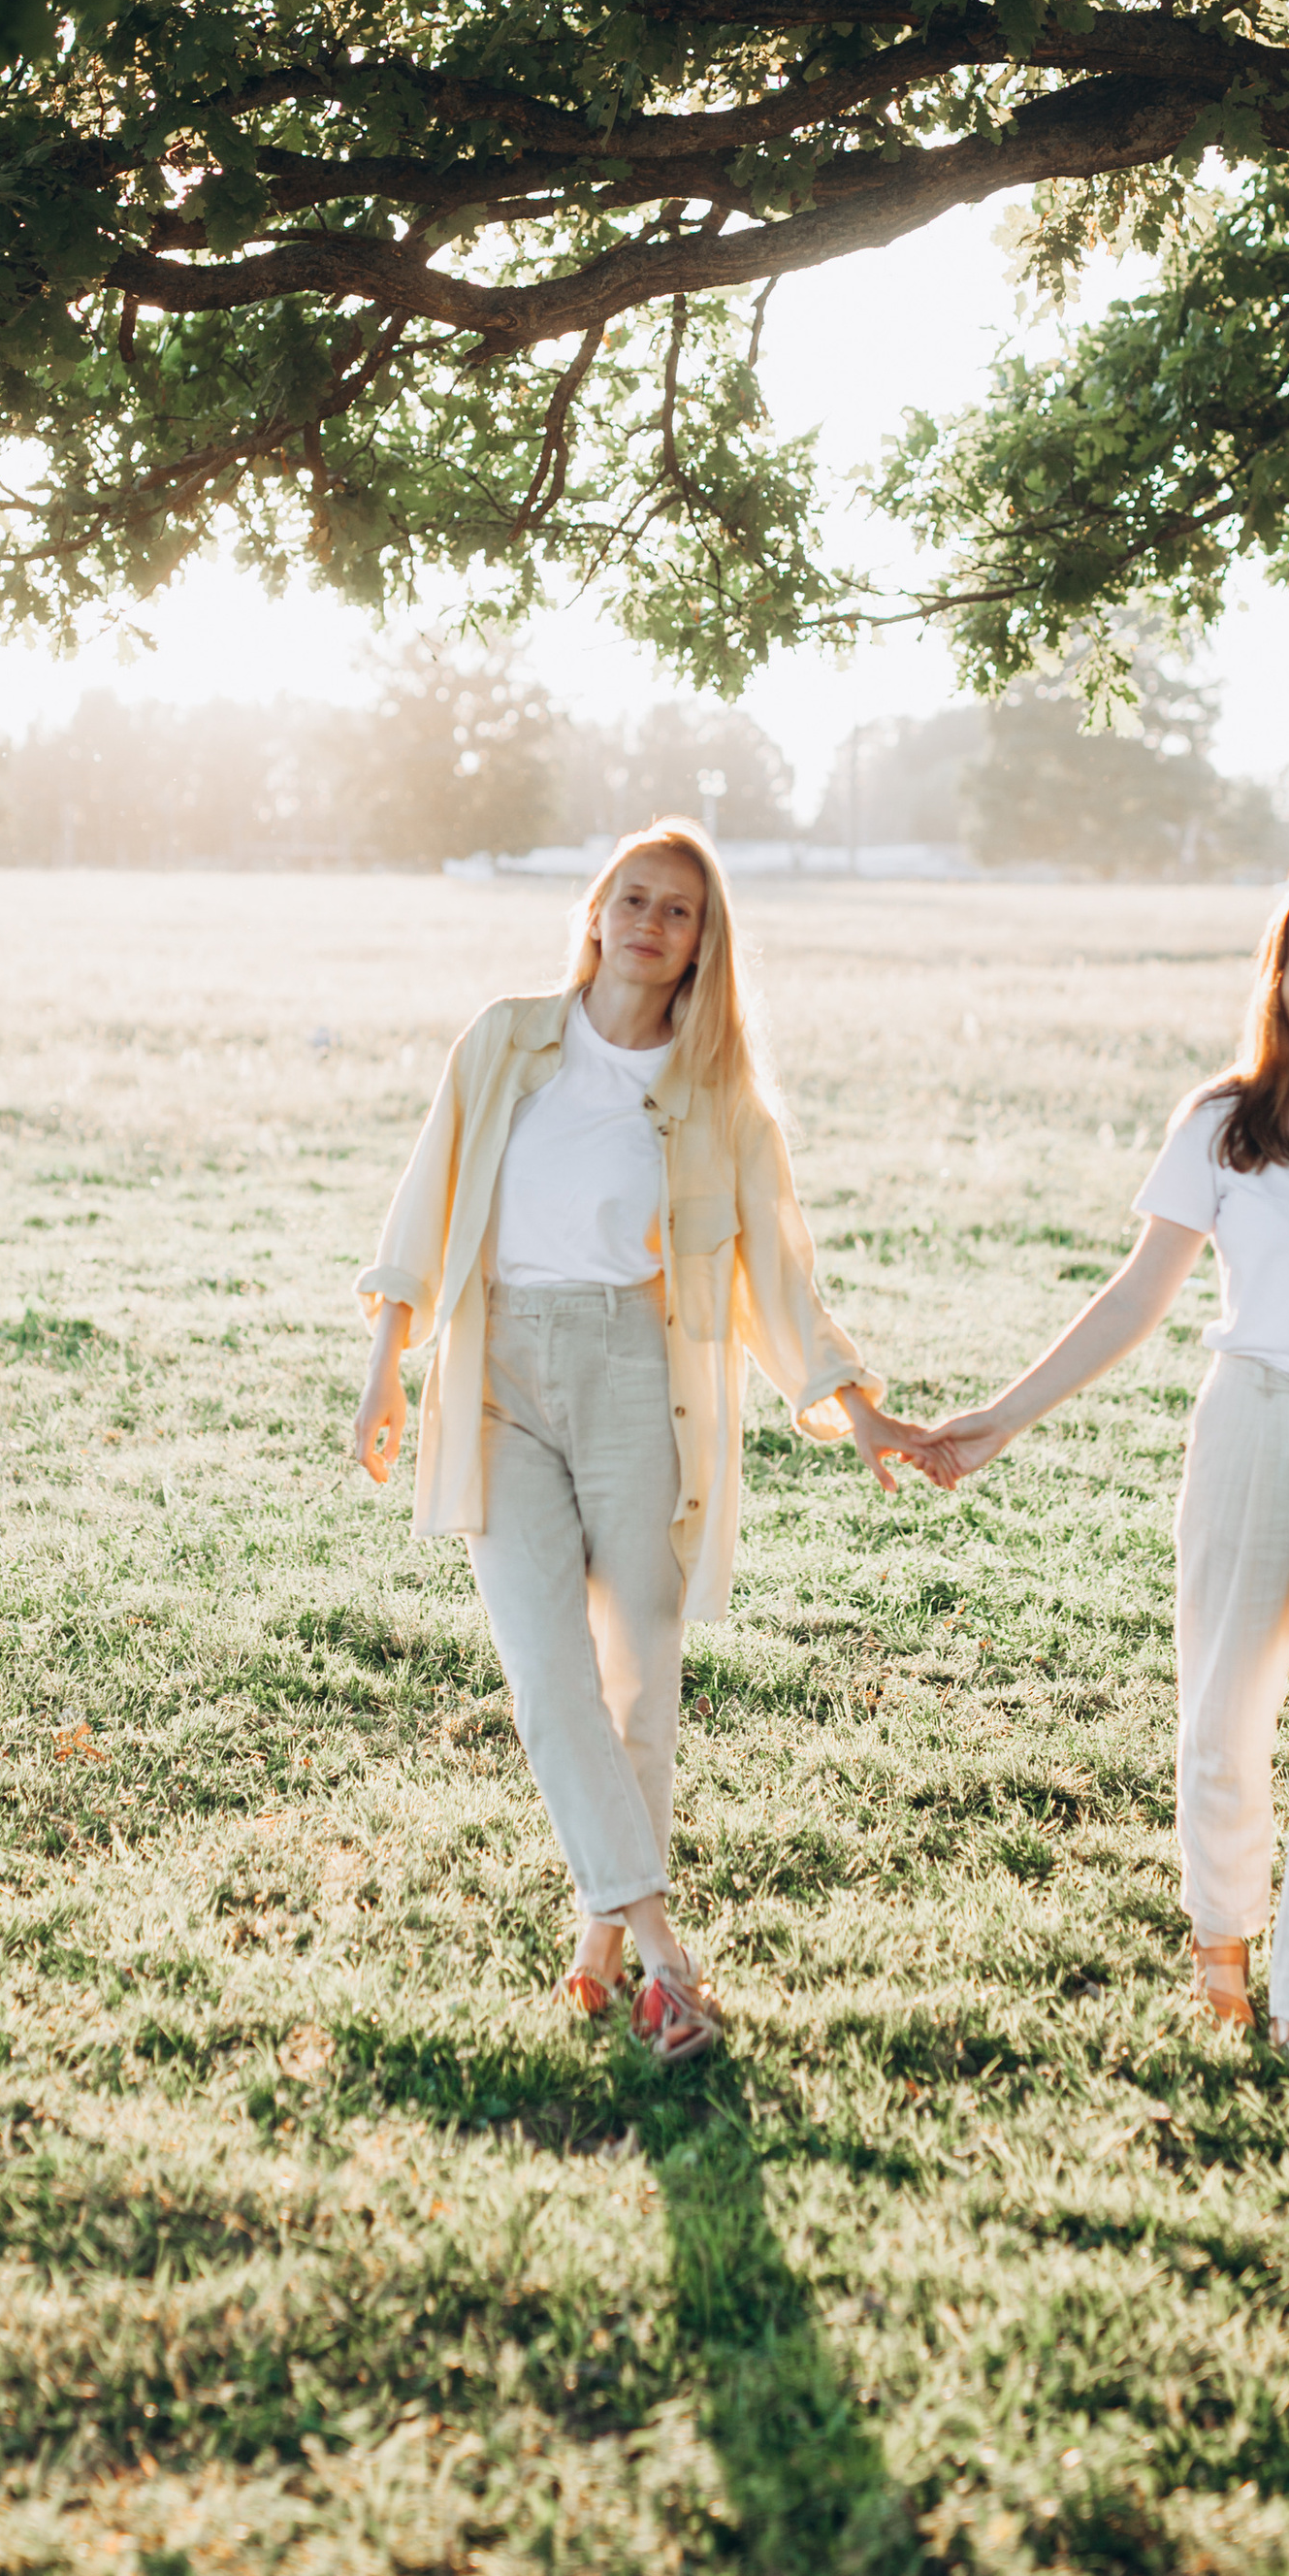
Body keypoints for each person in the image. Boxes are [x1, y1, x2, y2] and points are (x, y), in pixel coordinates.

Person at [914, 876, 1289, 2083]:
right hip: (1255, 1430)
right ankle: (1220, 1956)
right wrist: (1002, 1417)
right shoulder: (1222, 1121)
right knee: (1223, 1713)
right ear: (1273, 980)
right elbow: (1138, 1297)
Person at [354, 824, 921, 2061]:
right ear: (598, 911)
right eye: (633, 899)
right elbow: (423, 1201)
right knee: (548, 1676)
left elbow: (778, 1277)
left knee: (639, 1685)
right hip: (495, 1376)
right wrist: (381, 1375)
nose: (650, 923)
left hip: (636, 1384)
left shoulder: (717, 1097)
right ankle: (668, 1954)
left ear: (698, 945)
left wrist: (858, 1409)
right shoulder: (506, 1040)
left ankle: (603, 1947)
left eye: (677, 912)